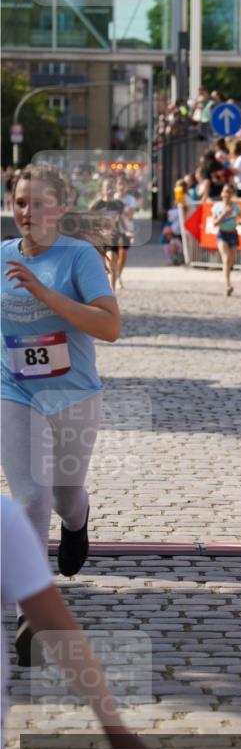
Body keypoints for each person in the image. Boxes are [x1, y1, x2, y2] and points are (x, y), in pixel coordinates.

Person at [1, 165, 120, 664]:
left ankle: (78, 520)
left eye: (39, 203)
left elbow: (109, 326)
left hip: (73, 396)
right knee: (31, 495)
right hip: (13, 392)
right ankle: (33, 609)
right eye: (20, 202)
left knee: (65, 497)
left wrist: (43, 291)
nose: (27, 213)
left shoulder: (78, 256)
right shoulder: (1, 256)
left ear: (62, 208)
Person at [1, 495, 144, 749]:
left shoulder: (5, 520)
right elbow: (56, 626)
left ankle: (77, 521)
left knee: (54, 495)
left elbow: (56, 627)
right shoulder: (5, 519)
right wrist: (116, 730)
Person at [212, 184, 241, 296]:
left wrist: (240, 222)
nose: (227, 194)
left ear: (232, 194)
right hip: (222, 234)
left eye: (229, 192)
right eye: (225, 191)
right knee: (226, 258)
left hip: (233, 234)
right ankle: (227, 285)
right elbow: (214, 223)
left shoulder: (236, 207)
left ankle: (228, 271)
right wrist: (224, 214)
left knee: (232, 261)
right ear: (222, 194)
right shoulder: (217, 207)